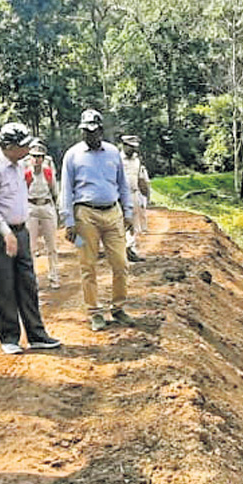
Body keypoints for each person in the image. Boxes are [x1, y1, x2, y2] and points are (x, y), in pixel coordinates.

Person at [0, 122, 62, 355]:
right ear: (8, 146)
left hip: (21, 231)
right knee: (4, 287)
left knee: (27, 283)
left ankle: (37, 335)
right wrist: (5, 231)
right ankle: (10, 337)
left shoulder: (17, 166)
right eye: (22, 146)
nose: (26, 151)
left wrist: (18, 231)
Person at [59, 109, 136, 332]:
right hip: (85, 215)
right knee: (88, 265)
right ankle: (94, 312)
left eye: (92, 131)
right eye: (85, 131)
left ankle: (118, 307)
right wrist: (68, 221)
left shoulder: (113, 153)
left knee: (120, 263)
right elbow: (66, 190)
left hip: (113, 213)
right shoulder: (72, 155)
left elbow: (122, 185)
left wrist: (128, 212)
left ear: (101, 130)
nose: (88, 135)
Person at [22, 138, 61, 289]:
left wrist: (56, 207)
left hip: (46, 205)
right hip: (31, 207)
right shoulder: (27, 174)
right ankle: (33, 279)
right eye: (34, 156)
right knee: (31, 246)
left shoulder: (47, 172)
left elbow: (54, 190)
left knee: (51, 245)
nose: (37, 159)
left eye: (40, 156)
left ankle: (54, 276)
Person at [120, 134, 151, 262]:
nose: (133, 150)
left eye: (134, 147)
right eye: (130, 147)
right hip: (120, 195)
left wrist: (145, 194)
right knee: (119, 224)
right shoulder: (117, 159)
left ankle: (130, 249)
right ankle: (121, 251)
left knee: (133, 224)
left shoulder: (137, 161)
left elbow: (140, 178)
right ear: (124, 145)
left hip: (133, 194)